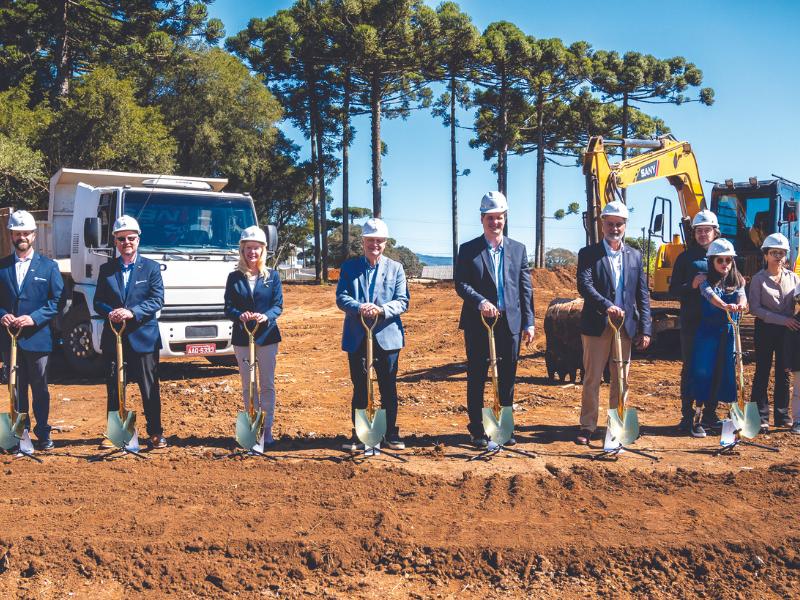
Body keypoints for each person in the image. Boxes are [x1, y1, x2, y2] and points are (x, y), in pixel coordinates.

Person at [455, 191, 534, 448]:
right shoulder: (468, 250)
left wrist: (529, 322)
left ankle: (503, 426)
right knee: (477, 374)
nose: (495, 223)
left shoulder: (518, 250)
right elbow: (461, 284)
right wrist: (481, 302)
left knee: (508, 377)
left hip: (509, 323)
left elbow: (525, 289)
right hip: (479, 323)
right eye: (490, 218)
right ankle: (477, 429)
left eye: (499, 218)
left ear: (504, 218)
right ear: (482, 219)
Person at [575, 200, 651, 445]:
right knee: (592, 378)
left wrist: (645, 328)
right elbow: (584, 286)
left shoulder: (635, 256)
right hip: (597, 325)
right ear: (603, 225)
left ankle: (616, 425)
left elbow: (642, 295)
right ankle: (588, 426)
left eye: (619, 224)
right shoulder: (589, 254)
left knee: (621, 378)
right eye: (610, 224)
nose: (614, 228)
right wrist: (607, 306)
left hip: (625, 328)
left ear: (625, 226)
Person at [336, 218, 409, 451]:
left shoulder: (396, 268)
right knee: (360, 386)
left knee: (388, 386)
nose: (374, 245)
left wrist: (381, 310)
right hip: (358, 336)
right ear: (363, 242)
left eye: (379, 241)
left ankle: (389, 433)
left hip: (387, 337)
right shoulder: (349, 268)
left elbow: (402, 301)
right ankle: (361, 434)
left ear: (385, 243)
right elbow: (342, 297)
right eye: (370, 241)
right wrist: (360, 307)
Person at [93, 215, 166, 449]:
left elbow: (157, 300)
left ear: (138, 239)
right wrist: (111, 312)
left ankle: (155, 433)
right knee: (115, 386)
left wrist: (131, 312)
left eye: (131, 238)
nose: (127, 242)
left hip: (143, 337)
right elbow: (98, 301)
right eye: (121, 238)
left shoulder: (151, 268)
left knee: (149, 388)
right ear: (115, 241)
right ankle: (116, 432)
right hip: (114, 337)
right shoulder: (106, 270)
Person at [0, 210, 63, 450]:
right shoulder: (2, 267)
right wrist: (3, 315)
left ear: (34, 236)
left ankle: (43, 433)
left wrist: (34, 318)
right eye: (17, 233)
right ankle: (19, 434)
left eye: (26, 233)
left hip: (37, 338)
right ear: (12, 236)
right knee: (15, 387)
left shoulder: (48, 267)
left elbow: (57, 301)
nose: (22, 237)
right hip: (10, 340)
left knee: (40, 388)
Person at [224, 226, 283, 446]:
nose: (252, 253)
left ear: (263, 250)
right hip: (242, 338)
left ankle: (267, 429)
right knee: (248, 384)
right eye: (249, 248)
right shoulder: (234, 277)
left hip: (267, 337)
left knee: (266, 384)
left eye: (256, 248)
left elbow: (278, 306)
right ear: (243, 250)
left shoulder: (272, 276)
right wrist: (240, 315)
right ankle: (252, 427)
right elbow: (228, 308)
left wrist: (265, 316)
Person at [668, 210, 722, 433]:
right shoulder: (685, 258)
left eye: (706, 230)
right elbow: (673, 290)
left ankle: (710, 413)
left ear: (715, 232)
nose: (702, 234)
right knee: (691, 368)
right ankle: (688, 415)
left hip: (717, 323)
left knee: (715, 368)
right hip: (692, 324)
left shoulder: (724, 256)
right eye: (699, 231)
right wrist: (691, 285)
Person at [690, 238, 747, 436]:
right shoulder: (704, 281)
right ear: (712, 261)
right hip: (708, 334)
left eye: (728, 260)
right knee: (704, 373)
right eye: (720, 260)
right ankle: (696, 418)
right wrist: (725, 306)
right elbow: (709, 296)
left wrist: (740, 304)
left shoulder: (738, 280)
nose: (724, 264)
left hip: (728, 333)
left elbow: (742, 296)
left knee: (725, 374)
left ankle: (711, 416)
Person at [748, 233, 800, 433]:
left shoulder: (793, 278)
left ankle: (782, 415)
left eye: (781, 253)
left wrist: (791, 321)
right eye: (773, 253)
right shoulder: (758, 280)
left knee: (784, 372)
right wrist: (783, 319)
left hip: (788, 331)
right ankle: (760, 417)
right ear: (766, 255)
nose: (778, 256)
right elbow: (755, 309)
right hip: (765, 329)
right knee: (762, 371)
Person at [784, 284, 800, 434]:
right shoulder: (795, 322)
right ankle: (797, 420)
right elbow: (788, 345)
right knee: (798, 393)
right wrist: (787, 362)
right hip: (798, 363)